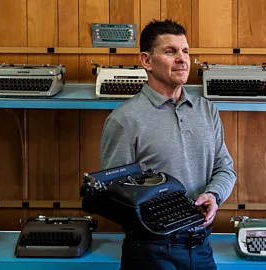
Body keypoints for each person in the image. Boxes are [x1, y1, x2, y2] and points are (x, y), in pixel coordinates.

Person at [100, 19, 237, 270]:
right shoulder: (123, 120)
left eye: (185, 51)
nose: (182, 58)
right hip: (150, 251)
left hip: (201, 246)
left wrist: (214, 195)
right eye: (170, 51)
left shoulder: (207, 111)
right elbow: (113, 195)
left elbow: (225, 168)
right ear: (146, 61)